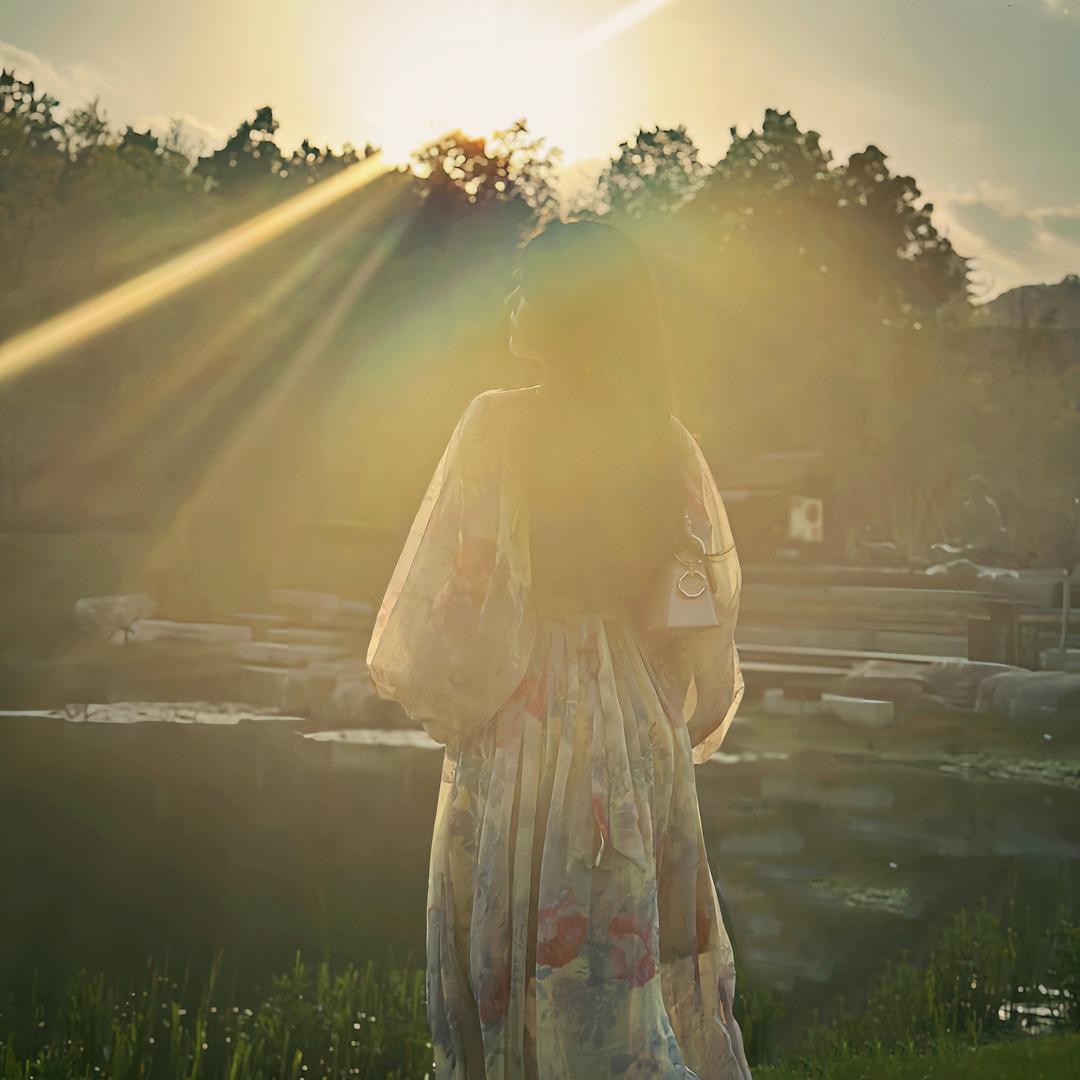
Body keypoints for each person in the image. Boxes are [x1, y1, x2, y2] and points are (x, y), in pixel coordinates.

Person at [366, 219, 751, 1079]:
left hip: (529, 719)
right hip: (637, 718)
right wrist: (654, 705)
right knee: (626, 965)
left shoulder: (498, 429)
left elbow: (460, 606)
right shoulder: (663, 441)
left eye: (526, 284)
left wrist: (455, 689)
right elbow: (695, 616)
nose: (512, 299)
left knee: (520, 952)